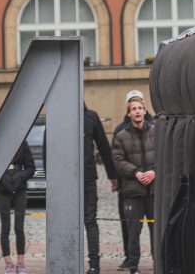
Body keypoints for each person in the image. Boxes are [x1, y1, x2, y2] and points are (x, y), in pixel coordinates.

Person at [111, 93, 156, 274]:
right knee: (133, 232)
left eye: (139, 108)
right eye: (133, 109)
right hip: (133, 192)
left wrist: (155, 171)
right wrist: (136, 173)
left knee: (157, 231)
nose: (137, 112)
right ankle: (133, 266)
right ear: (128, 114)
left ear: (145, 111)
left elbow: (166, 155)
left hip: (154, 192)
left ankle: (158, 264)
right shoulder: (121, 136)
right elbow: (118, 160)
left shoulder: (156, 132)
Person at [83, 101, 118, 274]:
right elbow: (47, 147)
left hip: (88, 177)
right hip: (65, 181)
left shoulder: (91, 116)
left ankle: (94, 264)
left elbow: (104, 147)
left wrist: (112, 175)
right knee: (66, 221)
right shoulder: (59, 116)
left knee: (90, 220)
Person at [0, 137, 35, 274]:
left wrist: (21, 177)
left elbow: (31, 168)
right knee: (5, 227)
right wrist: (2, 179)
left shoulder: (23, 144)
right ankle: (8, 264)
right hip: (3, 189)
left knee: (19, 227)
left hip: (20, 188)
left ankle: (20, 262)